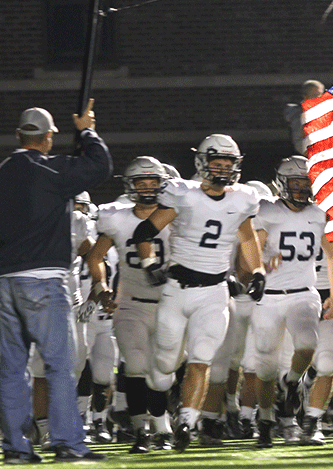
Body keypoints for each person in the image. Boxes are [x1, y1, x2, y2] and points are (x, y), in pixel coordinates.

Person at [0, 101, 112, 463]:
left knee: (13, 368)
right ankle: (67, 442)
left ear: (18, 135)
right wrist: (86, 130)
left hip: (7, 282)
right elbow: (99, 166)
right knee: (60, 364)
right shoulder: (47, 171)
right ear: (47, 138)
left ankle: (15, 447)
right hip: (44, 280)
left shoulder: (1, 173)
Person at [132, 134, 266, 452]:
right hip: (177, 290)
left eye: (228, 163)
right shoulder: (185, 194)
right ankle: (161, 416)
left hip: (215, 291)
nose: (222, 169)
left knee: (201, 358)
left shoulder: (242, 198)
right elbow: (144, 231)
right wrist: (150, 263)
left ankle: (186, 423)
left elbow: (248, 240)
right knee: (164, 366)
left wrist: (258, 270)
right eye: (216, 163)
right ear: (203, 164)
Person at [248, 155, 333, 449]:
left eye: (306, 183)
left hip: (304, 292)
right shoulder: (267, 212)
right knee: (264, 368)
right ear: (282, 184)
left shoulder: (319, 213)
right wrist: (262, 266)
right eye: (296, 183)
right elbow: (249, 250)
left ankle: (291, 381)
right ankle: (265, 421)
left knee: (307, 344)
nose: (302, 189)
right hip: (269, 298)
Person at [86, 157, 173, 453]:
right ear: (131, 186)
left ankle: (163, 427)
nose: (148, 189)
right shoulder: (117, 216)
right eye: (141, 183)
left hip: (169, 304)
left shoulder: (177, 215)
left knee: (162, 371)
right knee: (135, 365)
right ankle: (141, 433)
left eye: (153, 183)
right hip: (131, 304)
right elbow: (95, 257)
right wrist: (101, 287)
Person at [284, 80, 326, 155]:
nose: (318, 98)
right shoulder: (299, 116)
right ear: (305, 96)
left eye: (320, 94)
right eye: (314, 95)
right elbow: (299, 142)